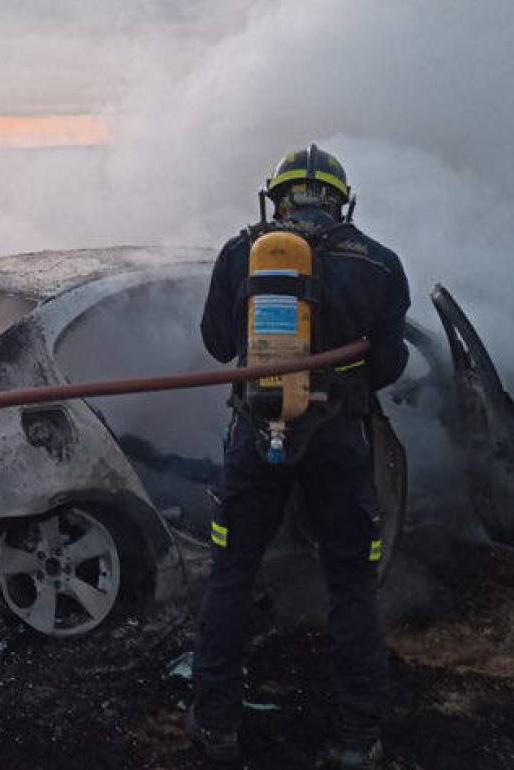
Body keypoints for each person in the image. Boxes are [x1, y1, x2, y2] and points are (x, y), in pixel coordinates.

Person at [187, 144, 410, 768]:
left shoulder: (241, 253)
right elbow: (389, 366)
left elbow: (214, 343)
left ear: (276, 196)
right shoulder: (381, 264)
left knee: (231, 575)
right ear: (343, 199)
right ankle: (357, 736)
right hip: (339, 441)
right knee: (352, 584)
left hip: (256, 437)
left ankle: (215, 726)